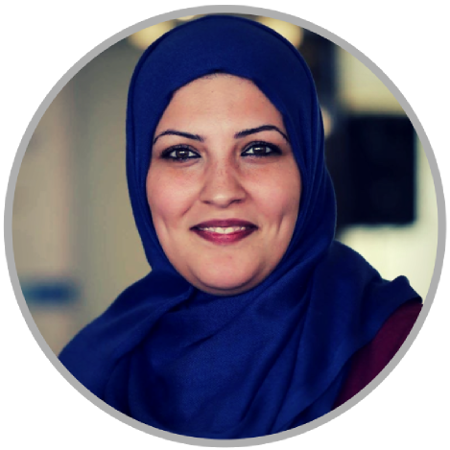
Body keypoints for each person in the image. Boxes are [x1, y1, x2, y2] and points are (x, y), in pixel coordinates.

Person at [59, 15, 421, 439]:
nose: (221, 191)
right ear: (141, 177)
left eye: (258, 149)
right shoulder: (92, 368)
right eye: (182, 153)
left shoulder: (396, 342)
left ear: (307, 169)